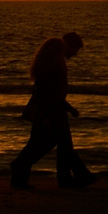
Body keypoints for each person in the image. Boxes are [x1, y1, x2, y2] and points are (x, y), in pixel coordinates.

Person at [9, 32, 96, 189]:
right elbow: (52, 93)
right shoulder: (55, 68)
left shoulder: (49, 66)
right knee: (52, 144)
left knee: (54, 144)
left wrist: (68, 108)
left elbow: (52, 92)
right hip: (52, 110)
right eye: (76, 49)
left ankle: (69, 178)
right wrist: (60, 109)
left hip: (52, 109)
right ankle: (73, 177)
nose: (75, 54)